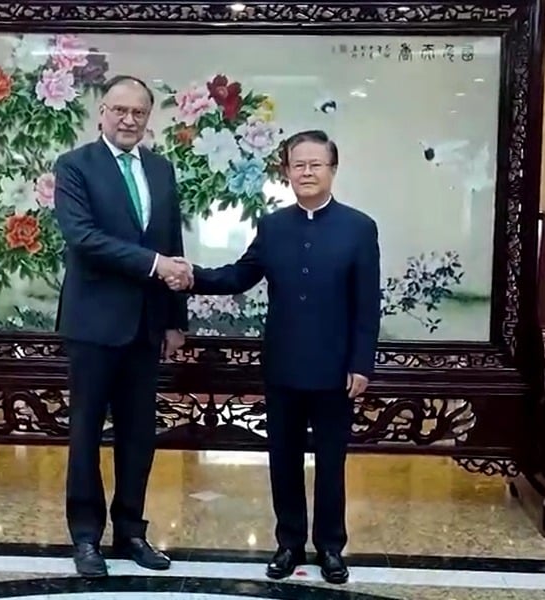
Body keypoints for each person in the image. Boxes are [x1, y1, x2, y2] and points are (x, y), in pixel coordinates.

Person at [166, 130, 381, 585]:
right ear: (286, 172)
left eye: (315, 164)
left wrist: (361, 363)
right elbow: (240, 275)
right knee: (282, 460)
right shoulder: (273, 226)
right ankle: (289, 544)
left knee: (331, 463)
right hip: (283, 365)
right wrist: (192, 277)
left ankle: (331, 547)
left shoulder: (359, 228)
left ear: (332, 170)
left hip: (336, 370)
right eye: (298, 165)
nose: (306, 172)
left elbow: (367, 304)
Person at [52, 74, 192, 578]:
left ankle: (131, 530)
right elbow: (83, 237)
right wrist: (155, 265)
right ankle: (86, 537)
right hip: (93, 324)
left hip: (146, 327)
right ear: (102, 113)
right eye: (120, 110)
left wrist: (175, 320)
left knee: (138, 435)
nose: (129, 120)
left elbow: (172, 242)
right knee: (86, 433)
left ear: (148, 117)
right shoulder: (75, 166)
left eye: (139, 112)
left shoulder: (160, 168)